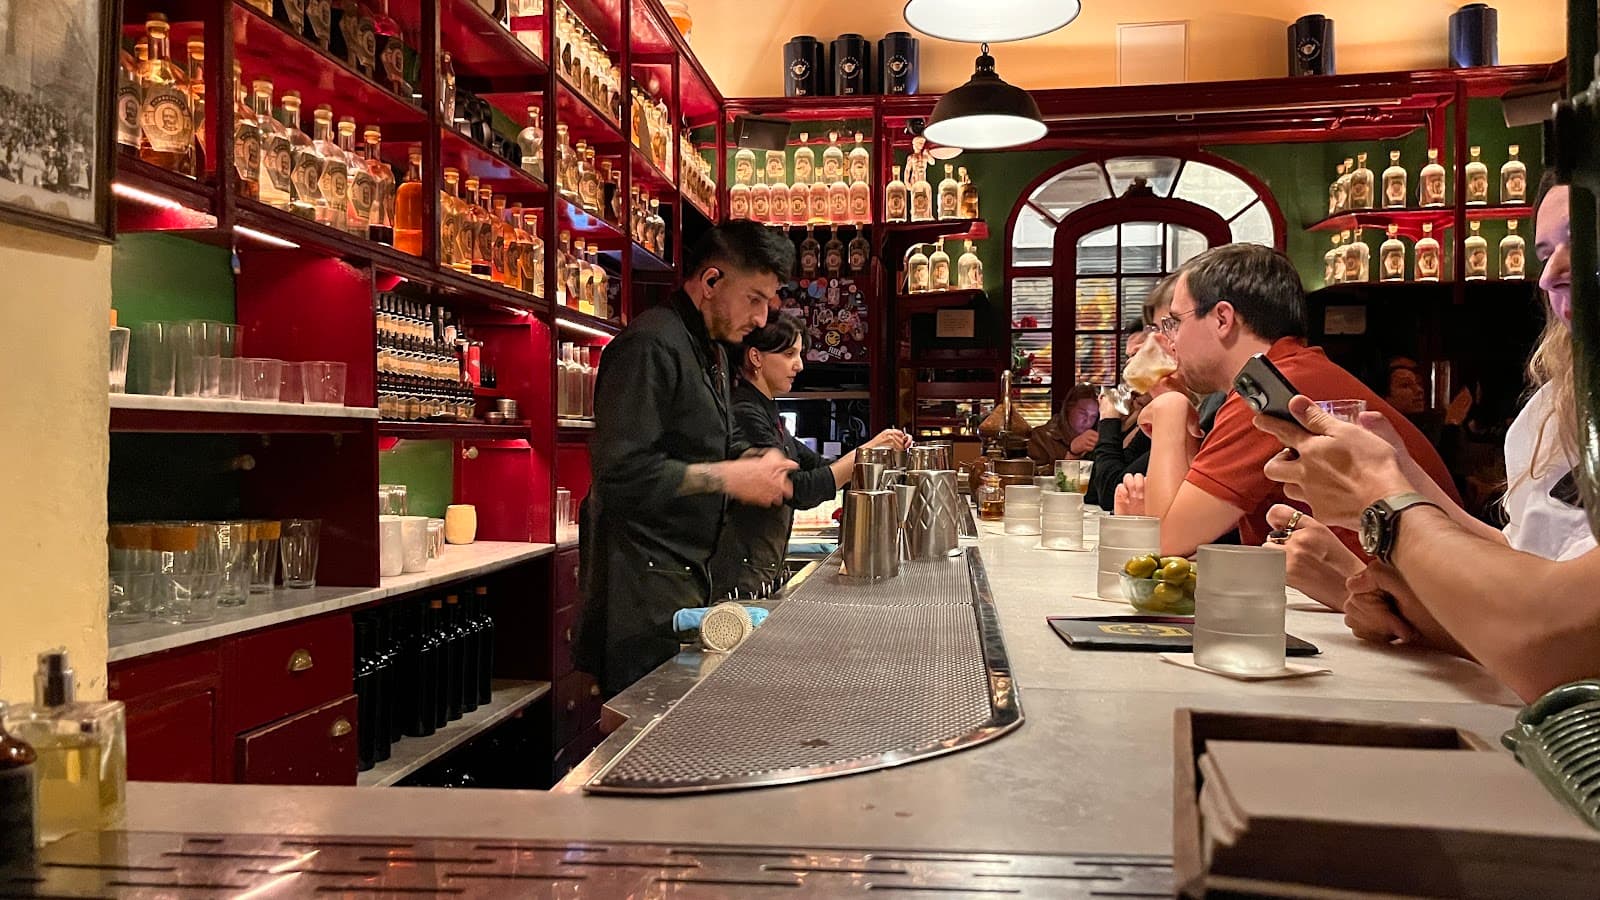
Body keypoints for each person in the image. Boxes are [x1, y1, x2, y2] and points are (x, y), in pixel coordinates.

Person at [1263, 172, 1590, 610]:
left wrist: (1380, 515)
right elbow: (1521, 556)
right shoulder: (1551, 407)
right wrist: (1400, 476)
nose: (1550, 276)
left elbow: (1556, 631)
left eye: (1583, 242)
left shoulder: (1294, 372)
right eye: (1545, 254)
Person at [576, 222, 801, 696]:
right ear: (712, 281)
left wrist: (752, 461)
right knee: (638, 741)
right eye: (754, 299)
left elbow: (697, 445)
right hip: (639, 596)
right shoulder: (650, 345)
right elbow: (619, 475)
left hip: (686, 580)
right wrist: (729, 476)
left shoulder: (712, 352)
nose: (761, 319)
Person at [1137, 243, 1459, 558]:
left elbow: (1164, 542)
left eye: (1174, 322)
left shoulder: (1274, 387)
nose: (1170, 340)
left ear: (1223, 318)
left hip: (1409, 600)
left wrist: (1170, 408)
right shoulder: (1287, 370)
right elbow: (1194, 520)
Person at [709, 313, 909, 597]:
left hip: (759, 573)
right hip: (738, 581)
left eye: (799, 354)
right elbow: (797, 489)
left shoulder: (766, 411)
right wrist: (865, 453)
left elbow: (819, 466)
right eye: (790, 353)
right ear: (756, 357)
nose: (799, 365)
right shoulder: (745, 413)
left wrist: (878, 453)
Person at [1086, 318, 1154, 510]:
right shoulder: (1138, 420)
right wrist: (1120, 429)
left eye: (1138, 354)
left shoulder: (1172, 417)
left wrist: (1109, 421)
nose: (1128, 368)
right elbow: (1091, 490)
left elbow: (1110, 495)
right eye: (1128, 358)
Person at [1027, 383, 1101, 472]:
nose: (1088, 421)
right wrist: (1073, 453)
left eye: (1093, 416)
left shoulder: (1097, 439)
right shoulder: (1041, 437)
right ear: (1068, 408)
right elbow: (1036, 477)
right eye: (1083, 413)